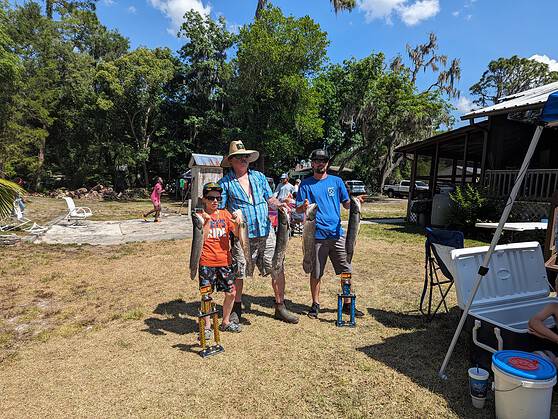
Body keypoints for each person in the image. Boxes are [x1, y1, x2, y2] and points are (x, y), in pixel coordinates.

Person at [218, 140, 299, 324]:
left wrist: (281, 204)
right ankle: (236, 309)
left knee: (277, 266)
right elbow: (222, 211)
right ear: (231, 161)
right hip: (242, 236)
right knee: (239, 271)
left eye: (245, 156)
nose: (243, 160)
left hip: (267, 231)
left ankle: (280, 306)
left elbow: (270, 199)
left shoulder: (259, 177)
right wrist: (232, 219)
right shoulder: (225, 183)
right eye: (238, 157)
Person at [296, 149, 365, 319]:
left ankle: (348, 303)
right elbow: (298, 208)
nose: (321, 163)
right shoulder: (305, 183)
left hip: (337, 234)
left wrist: (356, 202)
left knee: (346, 270)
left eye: (324, 160)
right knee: (316, 272)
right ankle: (315, 304)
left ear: (327, 163)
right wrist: (303, 207)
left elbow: (346, 203)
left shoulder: (337, 181)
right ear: (312, 163)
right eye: (318, 160)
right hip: (316, 235)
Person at [197, 182, 242, 338]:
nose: (215, 201)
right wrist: (207, 221)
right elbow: (200, 240)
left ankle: (225, 322)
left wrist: (238, 222)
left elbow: (236, 234)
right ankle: (208, 326)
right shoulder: (199, 215)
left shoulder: (225, 214)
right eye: (211, 198)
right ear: (204, 199)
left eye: (218, 198)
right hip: (206, 262)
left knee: (231, 293)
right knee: (206, 295)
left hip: (225, 261)